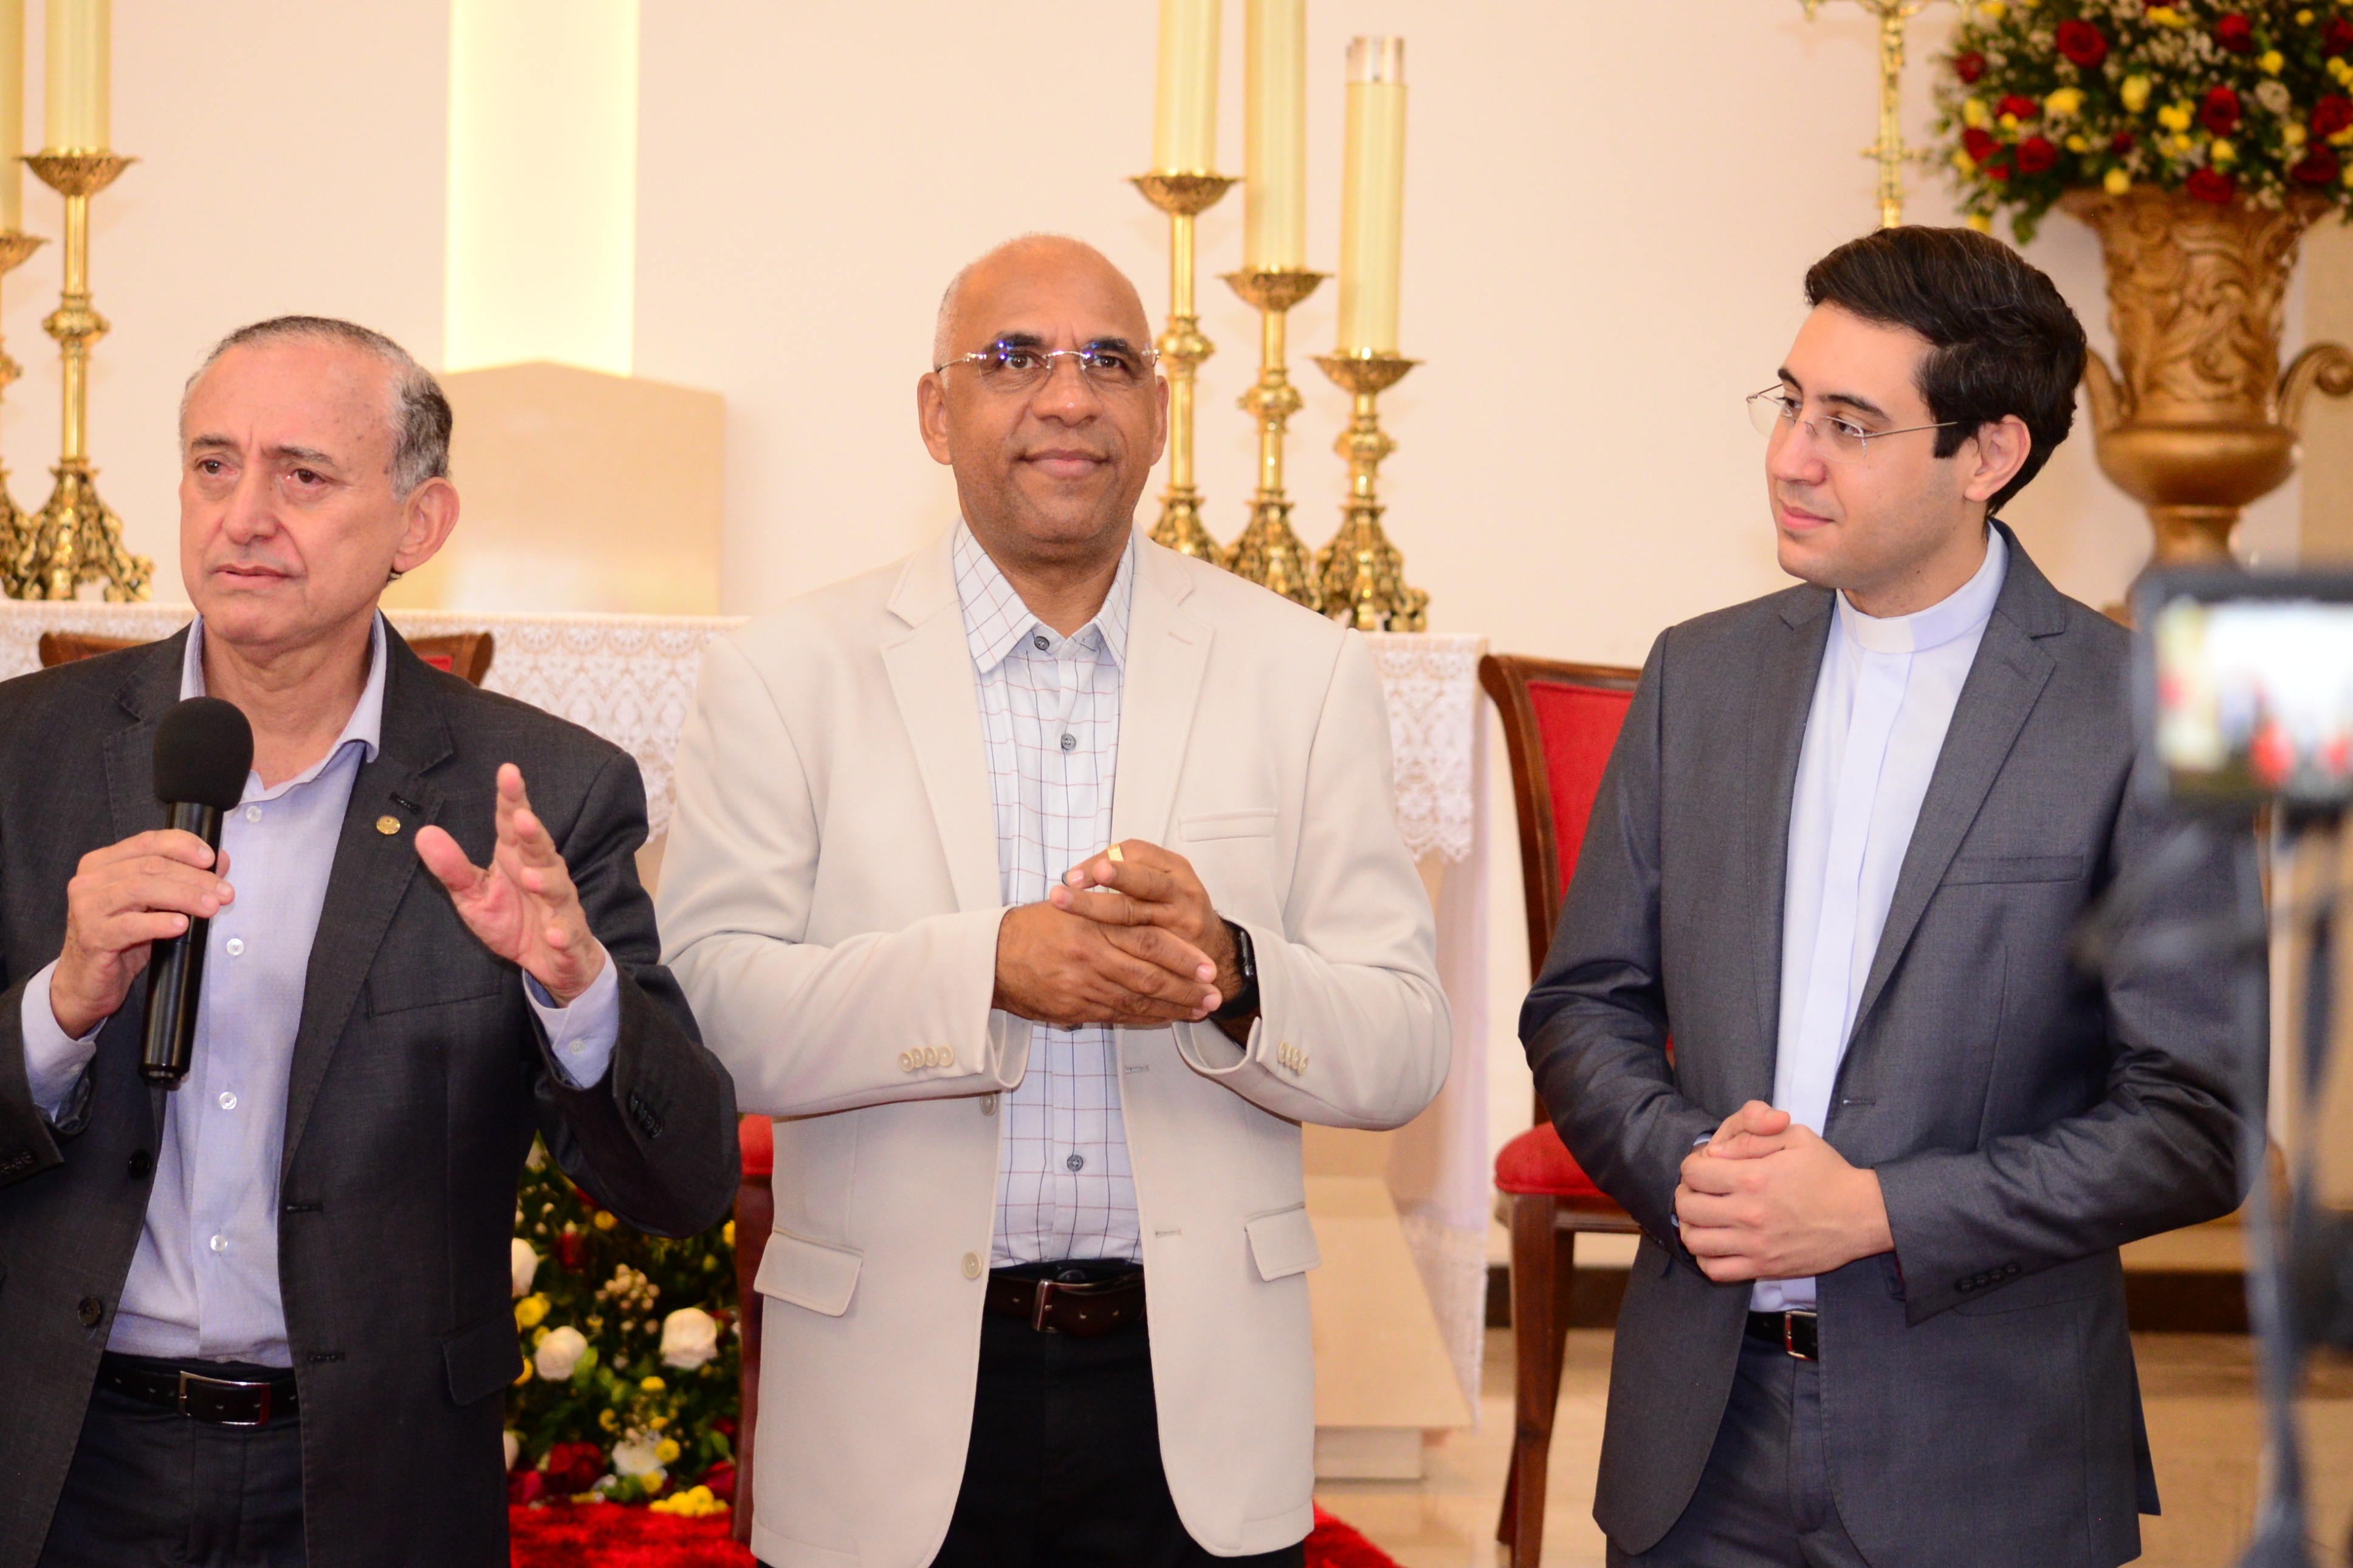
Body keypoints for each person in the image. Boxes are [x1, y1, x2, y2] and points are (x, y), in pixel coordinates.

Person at [657, 234, 1451, 1567]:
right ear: (936, 412)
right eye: (1014, 359)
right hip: (887, 1404)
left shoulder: (1300, 673)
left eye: (1109, 363)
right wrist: (985, 969)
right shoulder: (788, 674)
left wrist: (1233, 970)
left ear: (1158, 414)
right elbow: (708, 1017)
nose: (1069, 397)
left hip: (1196, 1406)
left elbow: (1405, 1042)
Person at [1521, 226, 2249, 1568]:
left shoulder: (2146, 713)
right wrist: (1690, 1168)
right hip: (1699, 1443)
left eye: (1850, 425)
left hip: (1988, 1448)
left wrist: (1876, 1211)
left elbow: (2200, 1118)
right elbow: (1583, 1006)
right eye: (1791, 403)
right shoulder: (1699, 677)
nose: (1791, 457)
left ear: (1989, 455)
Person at [0, 317, 740, 1568]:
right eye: (214, 465)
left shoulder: (537, 793)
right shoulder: (26, 755)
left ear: (419, 523)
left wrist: (578, 995)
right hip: (67, 1462)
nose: (244, 515)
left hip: (375, 1481)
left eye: (303, 475)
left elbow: (687, 1182)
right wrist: (58, 1010)